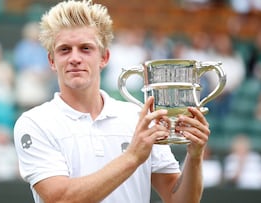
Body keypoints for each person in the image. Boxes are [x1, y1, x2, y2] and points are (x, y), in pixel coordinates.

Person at [14, 1, 211, 203]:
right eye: (64, 49)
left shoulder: (138, 118)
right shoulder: (35, 123)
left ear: (104, 57)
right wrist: (132, 157)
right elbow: (60, 199)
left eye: (85, 48)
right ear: (52, 61)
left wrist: (194, 157)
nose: (75, 58)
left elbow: (179, 199)